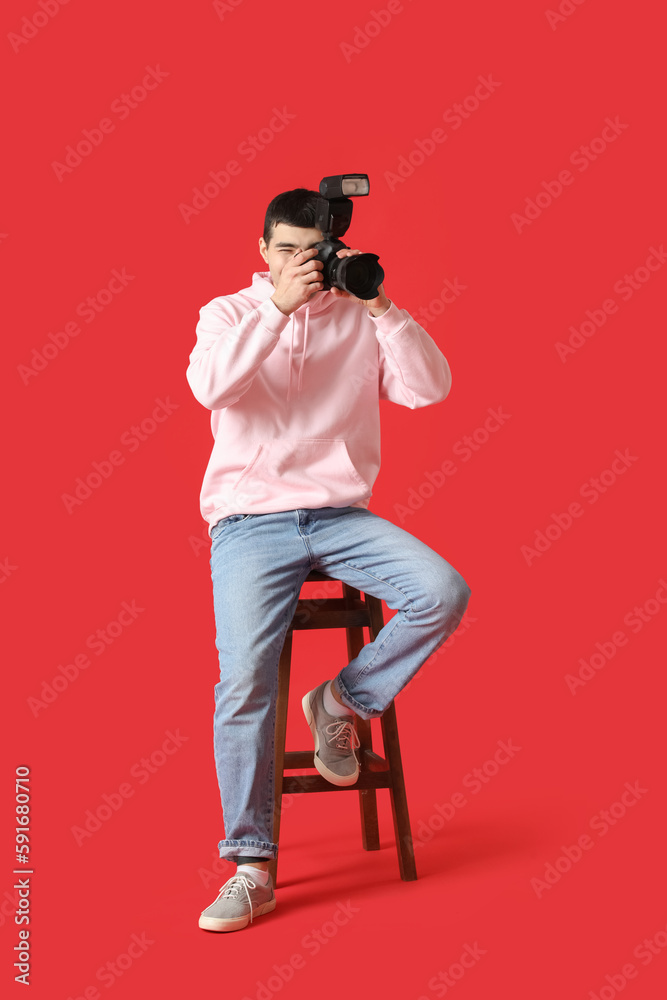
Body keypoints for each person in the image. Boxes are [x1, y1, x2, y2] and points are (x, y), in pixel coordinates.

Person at [186, 187, 471, 932]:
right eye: (284, 250)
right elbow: (212, 386)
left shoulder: (355, 314)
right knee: (244, 678)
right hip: (250, 521)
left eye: (311, 253)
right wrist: (275, 308)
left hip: (341, 515)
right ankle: (251, 867)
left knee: (442, 591)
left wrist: (378, 304)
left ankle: (341, 702)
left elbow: (429, 389)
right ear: (263, 249)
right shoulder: (227, 314)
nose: (298, 264)